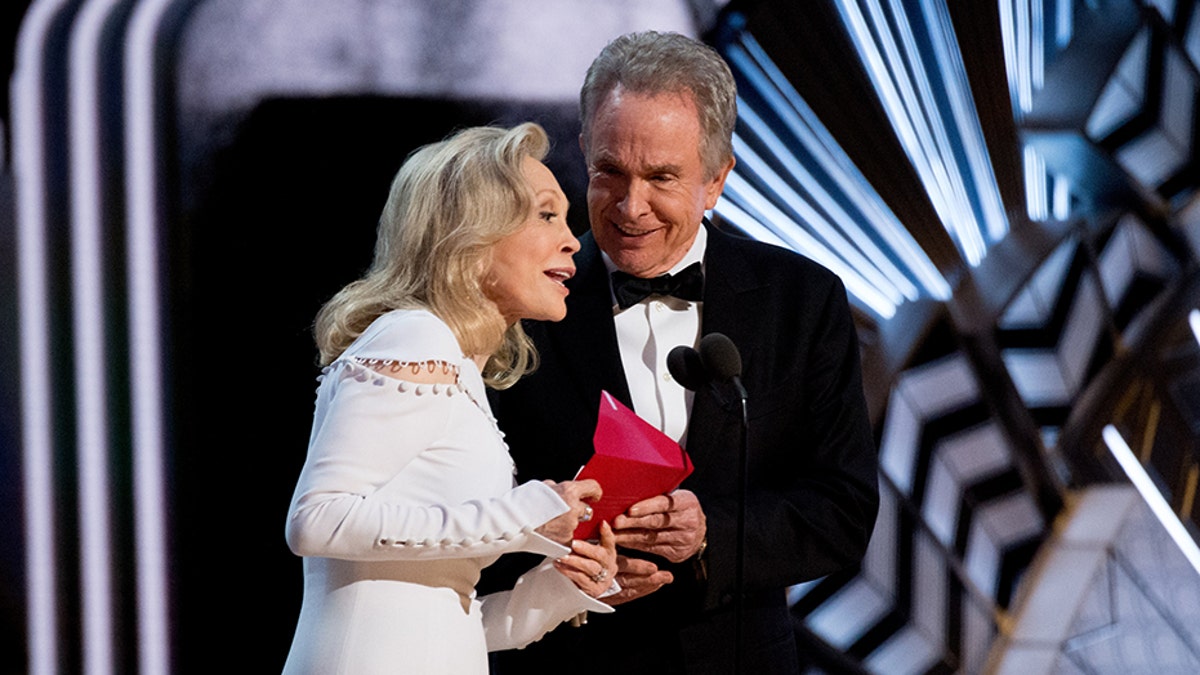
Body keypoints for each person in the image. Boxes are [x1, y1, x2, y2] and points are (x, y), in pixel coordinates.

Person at [486, 31, 880, 674]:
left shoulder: (801, 300)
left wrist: (711, 537)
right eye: (609, 171)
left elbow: (843, 511)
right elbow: (459, 505)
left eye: (662, 177)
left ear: (717, 178)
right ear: (584, 152)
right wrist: (561, 567)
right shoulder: (515, 304)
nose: (630, 206)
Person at [281, 122, 622, 675]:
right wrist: (527, 514)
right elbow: (316, 521)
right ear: (474, 234)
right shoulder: (413, 336)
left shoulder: (457, 368)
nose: (571, 239)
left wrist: (554, 591)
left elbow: (441, 621)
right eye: (545, 214)